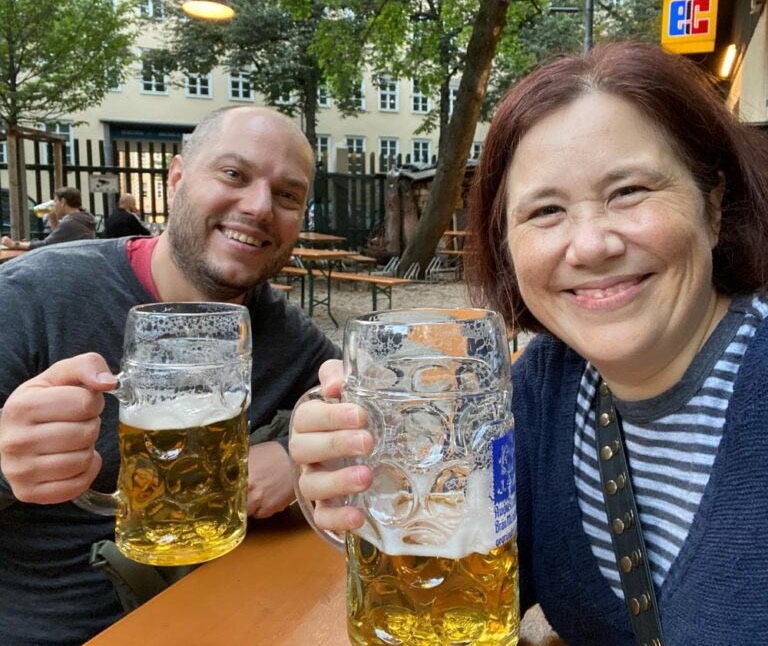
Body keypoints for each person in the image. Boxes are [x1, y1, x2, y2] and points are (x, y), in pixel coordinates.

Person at [289, 42, 768, 646]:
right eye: (545, 210)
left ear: (714, 205)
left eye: (629, 191)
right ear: (509, 248)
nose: (591, 245)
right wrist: (339, 486)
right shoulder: (544, 385)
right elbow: (459, 593)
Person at [0, 106, 340, 645]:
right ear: (176, 178)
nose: (257, 207)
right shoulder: (31, 296)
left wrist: (296, 460)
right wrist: (5, 457)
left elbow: (369, 417)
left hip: (226, 618)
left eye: (287, 195)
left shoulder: (288, 338)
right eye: (234, 174)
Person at [1, 186, 96, 250]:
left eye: (55, 201)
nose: (54, 204)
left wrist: (15, 244)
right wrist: (52, 216)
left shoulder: (71, 222)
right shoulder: (85, 216)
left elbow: (47, 244)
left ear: (62, 202)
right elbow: (60, 235)